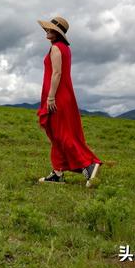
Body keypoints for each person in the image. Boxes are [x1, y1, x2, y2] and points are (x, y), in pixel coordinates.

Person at [36, 16, 102, 187]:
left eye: (50, 29)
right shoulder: (64, 48)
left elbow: (56, 74)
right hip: (64, 95)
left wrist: (50, 97)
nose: (47, 31)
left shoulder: (57, 49)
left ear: (57, 33)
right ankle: (57, 173)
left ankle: (89, 164)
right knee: (59, 136)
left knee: (63, 135)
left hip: (58, 97)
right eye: (47, 28)